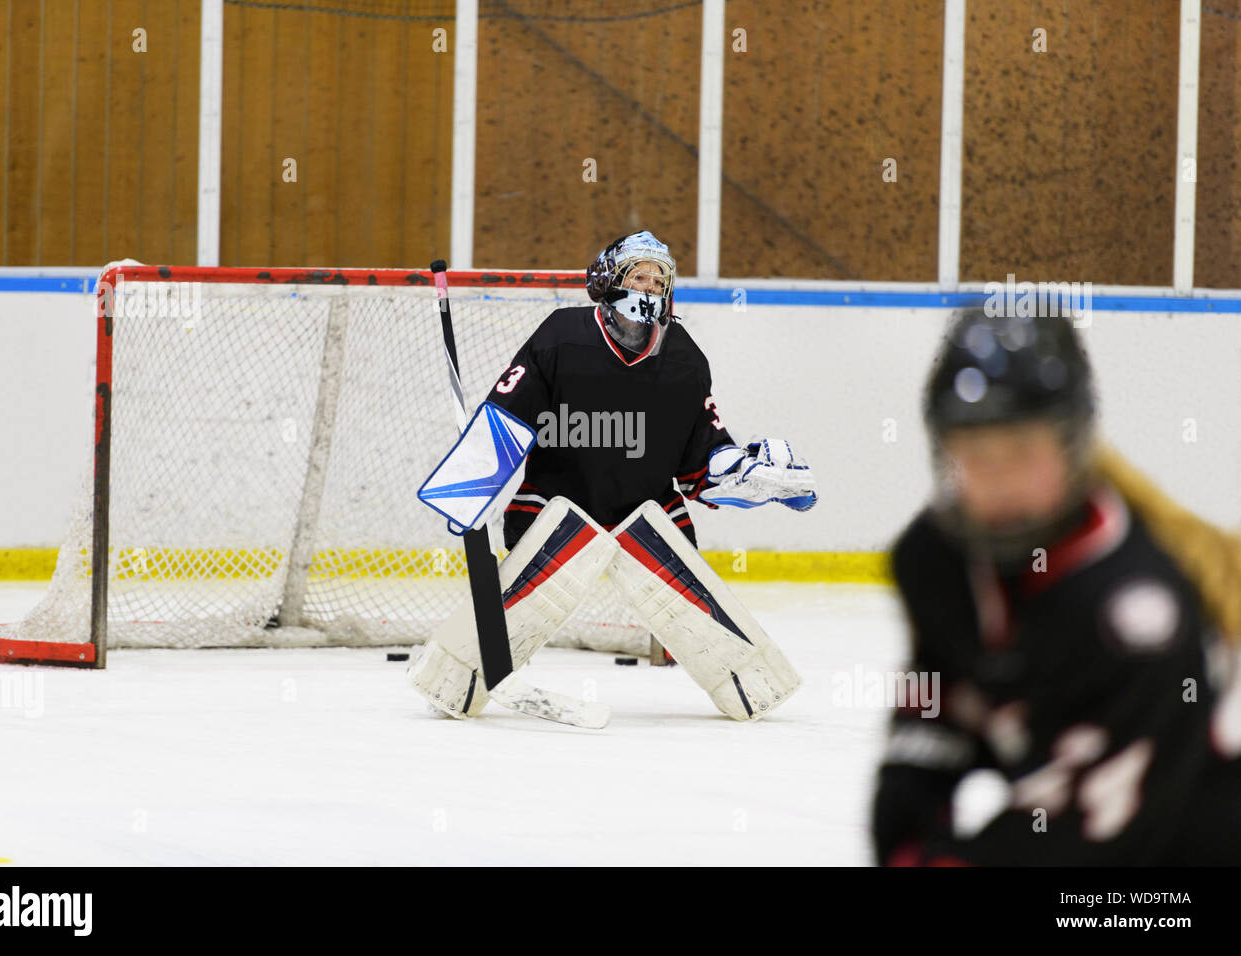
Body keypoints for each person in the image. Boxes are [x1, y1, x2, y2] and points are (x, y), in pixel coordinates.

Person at [872, 307, 1241, 865]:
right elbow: (935, 722)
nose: (999, 480)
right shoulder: (933, 562)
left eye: (1022, 452)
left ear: (1073, 448)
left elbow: (1095, 836)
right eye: (975, 454)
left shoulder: (1136, 612)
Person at [408, 231, 818, 721]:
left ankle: (752, 682)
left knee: (665, 529)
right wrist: (466, 489)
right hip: (553, 506)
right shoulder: (560, 336)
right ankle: (457, 674)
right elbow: (505, 418)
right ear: (608, 281)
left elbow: (701, 458)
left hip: (645, 509)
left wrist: (747, 477)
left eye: (655, 281)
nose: (646, 289)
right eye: (636, 277)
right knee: (559, 531)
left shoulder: (685, 358)